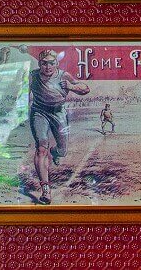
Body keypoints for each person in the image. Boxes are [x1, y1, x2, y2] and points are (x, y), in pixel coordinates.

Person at [29, 50, 90, 205]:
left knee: (63, 150)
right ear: (39, 64)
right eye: (44, 63)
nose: (48, 66)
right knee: (41, 147)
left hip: (58, 113)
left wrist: (71, 86)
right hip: (39, 112)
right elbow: (19, 92)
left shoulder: (64, 75)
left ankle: (55, 153)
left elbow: (85, 88)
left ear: (56, 63)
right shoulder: (32, 76)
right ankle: (46, 190)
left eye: (51, 63)